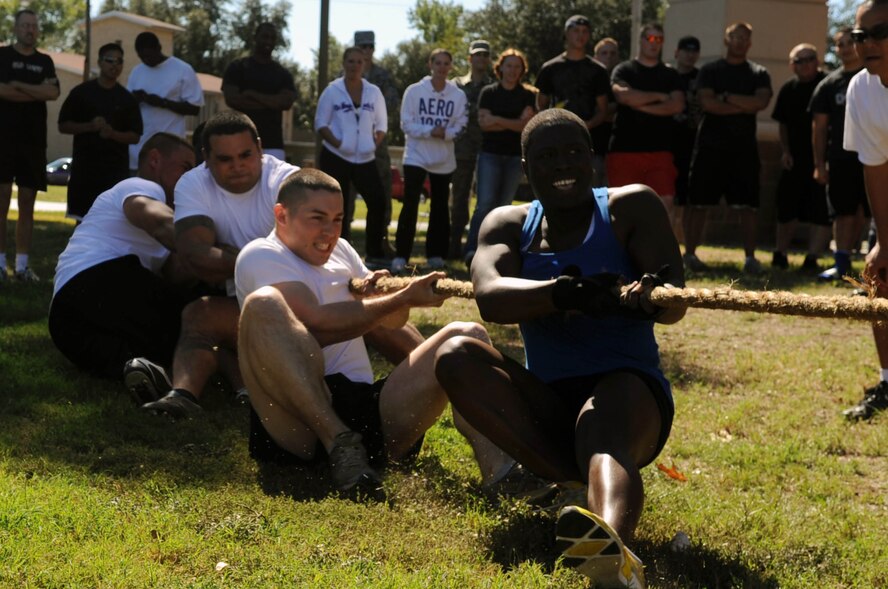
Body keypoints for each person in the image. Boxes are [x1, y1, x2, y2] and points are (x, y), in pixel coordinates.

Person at [435, 109, 686, 588]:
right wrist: (563, 293)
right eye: (547, 156)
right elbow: (490, 297)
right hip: (550, 408)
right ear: (526, 169)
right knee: (455, 357)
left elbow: (675, 303)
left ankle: (611, 552)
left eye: (574, 152)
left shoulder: (630, 207)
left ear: (591, 160)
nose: (563, 164)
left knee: (601, 420)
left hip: (631, 399)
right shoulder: (507, 224)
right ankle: (574, 485)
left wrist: (646, 300)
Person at [234, 167, 517, 498]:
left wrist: (384, 298)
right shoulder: (260, 255)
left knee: (467, 335)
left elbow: (392, 321)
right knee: (263, 303)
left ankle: (503, 473)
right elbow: (317, 323)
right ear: (282, 215)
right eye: (317, 218)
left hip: (367, 413)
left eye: (338, 219)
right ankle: (338, 441)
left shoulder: (341, 250)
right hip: (297, 424)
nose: (330, 231)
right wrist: (403, 296)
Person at [123, 111, 298, 417]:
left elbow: (306, 257)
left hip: (304, 302)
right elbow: (196, 257)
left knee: (377, 316)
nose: (238, 165)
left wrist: (231, 256)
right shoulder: (193, 183)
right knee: (199, 313)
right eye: (225, 159)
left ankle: (411, 366)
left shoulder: (287, 181)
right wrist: (263, 259)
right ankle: (184, 396)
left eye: (245, 154)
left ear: (259, 147)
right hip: (247, 301)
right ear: (205, 158)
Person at [49, 133, 196, 379]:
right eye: (185, 168)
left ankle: (138, 369)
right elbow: (157, 221)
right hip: (99, 282)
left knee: (152, 358)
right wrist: (222, 252)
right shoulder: (142, 186)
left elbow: (179, 271)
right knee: (195, 324)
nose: (190, 179)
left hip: (65, 324)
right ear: (155, 159)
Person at [682, 22, 772, 274]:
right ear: (726, 39)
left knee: (749, 206)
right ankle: (689, 254)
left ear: (750, 43)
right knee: (698, 202)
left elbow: (761, 102)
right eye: (735, 36)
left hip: (744, 149)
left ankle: (750, 259)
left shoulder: (758, 72)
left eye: (745, 38)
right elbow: (708, 104)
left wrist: (726, 97)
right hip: (710, 147)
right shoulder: (710, 70)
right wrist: (743, 104)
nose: (740, 41)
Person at [841, 0, 888, 420]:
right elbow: (876, 167)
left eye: (880, 32)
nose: (868, 43)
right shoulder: (861, 88)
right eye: (861, 36)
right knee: (881, 279)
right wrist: (884, 243)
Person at [392, 49, 467, 273]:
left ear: (451, 67)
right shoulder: (414, 91)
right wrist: (430, 130)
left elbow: (462, 124)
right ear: (430, 64)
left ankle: (436, 255)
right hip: (416, 156)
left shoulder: (458, 95)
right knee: (410, 205)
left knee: (440, 208)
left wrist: (446, 134)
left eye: (446, 63)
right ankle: (401, 256)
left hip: (444, 159)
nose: (442, 68)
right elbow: (406, 124)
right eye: (438, 63)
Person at [0, 8, 60, 282]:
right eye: (25, 25)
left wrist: (18, 86)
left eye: (34, 26)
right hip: (3, 140)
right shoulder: (2, 56)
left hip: (33, 143)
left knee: (27, 203)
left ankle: (22, 267)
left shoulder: (45, 61)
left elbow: (53, 92)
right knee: (0, 202)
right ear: (16, 28)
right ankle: (0, 265)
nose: (30, 30)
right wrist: (35, 92)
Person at [608, 24, 685, 234]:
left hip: (660, 150)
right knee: (621, 206)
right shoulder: (624, 70)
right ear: (640, 40)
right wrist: (660, 96)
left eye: (659, 39)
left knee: (665, 203)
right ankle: (621, 258)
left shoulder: (670, 75)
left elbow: (677, 105)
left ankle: (663, 258)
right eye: (650, 38)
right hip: (624, 149)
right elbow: (623, 96)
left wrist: (638, 103)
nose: (654, 43)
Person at [463, 48, 536, 264]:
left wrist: (497, 119)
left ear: (522, 70)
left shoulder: (528, 95)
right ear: (500, 68)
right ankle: (471, 250)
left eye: (517, 66)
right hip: (490, 155)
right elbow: (485, 125)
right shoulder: (489, 92)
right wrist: (512, 122)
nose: (513, 70)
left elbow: (525, 127)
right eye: (509, 65)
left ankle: (495, 252)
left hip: (515, 157)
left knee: (504, 206)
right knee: (484, 205)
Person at [315, 47, 388, 261]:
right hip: (336, 156)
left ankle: (374, 253)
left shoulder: (373, 91)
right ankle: (337, 254)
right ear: (343, 63)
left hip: (365, 157)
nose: (354, 65)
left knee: (378, 202)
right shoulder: (332, 91)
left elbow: (382, 124)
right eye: (350, 61)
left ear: (364, 64)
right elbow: (321, 123)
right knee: (338, 207)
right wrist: (338, 143)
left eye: (358, 62)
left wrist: (373, 143)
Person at [58, 42, 142, 221]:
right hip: (85, 170)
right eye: (109, 60)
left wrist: (112, 134)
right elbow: (63, 125)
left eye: (119, 61)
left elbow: (135, 136)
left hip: (115, 173)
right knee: (82, 220)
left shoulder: (127, 99)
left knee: (113, 221)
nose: (114, 65)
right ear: (99, 62)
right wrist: (90, 126)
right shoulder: (81, 93)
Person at [811, 27, 869, 281]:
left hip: (874, 156)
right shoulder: (828, 85)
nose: (846, 48)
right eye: (840, 44)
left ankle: (872, 266)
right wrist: (819, 164)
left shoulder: (875, 77)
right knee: (843, 211)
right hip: (841, 157)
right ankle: (841, 264)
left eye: (850, 42)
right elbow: (819, 127)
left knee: (871, 212)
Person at [771, 44, 830, 272]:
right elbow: (782, 123)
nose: (805, 64)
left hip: (822, 159)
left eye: (809, 59)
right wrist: (785, 151)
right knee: (786, 207)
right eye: (799, 60)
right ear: (791, 65)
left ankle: (812, 258)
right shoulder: (788, 89)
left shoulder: (826, 85)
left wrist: (824, 161)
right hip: (794, 159)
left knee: (821, 210)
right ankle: (780, 254)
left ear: (817, 61)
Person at [535, 15, 610, 180]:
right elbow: (541, 106)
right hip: (556, 143)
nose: (580, 35)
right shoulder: (550, 68)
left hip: (589, 145)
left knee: (591, 194)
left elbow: (603, 110)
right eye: (576, 30)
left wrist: (585, 125)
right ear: (566, 33)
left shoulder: (598, 70)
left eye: (584, 31)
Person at [127, 32, 203, 172]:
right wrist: (135, 99)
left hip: (170, 150)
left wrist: (162, 102)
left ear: (159, 48)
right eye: (142, 57)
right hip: (138, 152)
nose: (146, 60)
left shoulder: (182, 69)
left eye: (149, 55)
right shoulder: (136, 72)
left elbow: (194, 108)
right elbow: (127, 107)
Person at [222, 22, 297, 162]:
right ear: (255, 37)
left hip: (273, 143)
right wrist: (272, 103)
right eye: (265, 36)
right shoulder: (238, 67)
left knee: (275, 184)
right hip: (239, 140)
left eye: (272, 38)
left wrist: (251, 94)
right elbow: (232, 99)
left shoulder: (282, 73)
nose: (268, 41)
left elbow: (285, 102)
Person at [356, 30, 400, 256]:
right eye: (362, 46)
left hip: (376, 144)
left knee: (382, 192)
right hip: (347, 146)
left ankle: (382, 238)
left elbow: (391, 102)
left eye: (370, 47)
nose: (366, 51)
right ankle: (342, 238)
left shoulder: (382, 76)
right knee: (344, 192)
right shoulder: (343, 75)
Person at [449, 39, 494, 260]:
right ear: (469, 58)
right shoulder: (455, 85)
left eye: (485, 55)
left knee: (485, 200)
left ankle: (478, 245)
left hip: (487, 148)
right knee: (459, 198)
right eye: (477, 54)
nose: (481, 58)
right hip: (461, 150)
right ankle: (453, 244)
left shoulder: (494, 86)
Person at [671, 35, 702, 243]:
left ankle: (684, 245)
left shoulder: (702, 78)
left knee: (687, 196)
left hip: (693, 143)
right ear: (677, 53)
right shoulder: (667, 75)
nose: (690, 55)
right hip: (667, 143)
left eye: (694, 51)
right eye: (686, 50)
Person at [592, 37, 620, 181]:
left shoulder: (622, 78)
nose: (609, 56)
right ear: (596, 56)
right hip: (592, 148)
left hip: (616, 150)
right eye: (604, 53)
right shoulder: (589, 79)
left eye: (613, 53)